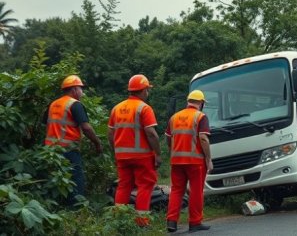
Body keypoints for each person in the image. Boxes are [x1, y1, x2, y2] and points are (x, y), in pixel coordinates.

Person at [107, 74, 162, 227]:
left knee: (124, 186)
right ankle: (142, 223)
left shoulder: (116, 108)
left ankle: (119, 221)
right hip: (142, 156)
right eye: (147, 90)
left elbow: (110, 133)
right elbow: (151, 133)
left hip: (122, 156)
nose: (148, 93)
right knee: (145, 186)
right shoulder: (144, 108)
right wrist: (157, 154)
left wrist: (115, 151)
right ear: (143, 90)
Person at [44, 75, 103, 205]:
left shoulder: (53, 104)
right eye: (81, 89)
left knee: (56, 181)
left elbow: (47, 124)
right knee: (76, 180)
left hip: (50, 151)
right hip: (68, 150)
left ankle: (57, 207)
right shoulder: (75, 105)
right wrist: (97, 143)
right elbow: (86, 128)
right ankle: (76, 210)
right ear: (75, 89)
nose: (82, 92)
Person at [165, 90, 213, 233]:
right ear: (201, 103)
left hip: (176, 160)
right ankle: (195, 222)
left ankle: (172, 222)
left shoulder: (174, 117)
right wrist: (208, 159)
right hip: (195, 161)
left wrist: (173, 151)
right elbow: (203, 138)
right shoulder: (201, 117)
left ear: (188, 101)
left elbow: (168, 137)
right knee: (196, 191)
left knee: (176, 190)